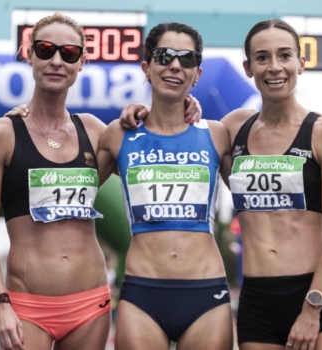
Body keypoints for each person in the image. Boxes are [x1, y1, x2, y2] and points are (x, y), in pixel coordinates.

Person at [0, 13, 113, 350]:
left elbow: (152, 147)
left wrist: (180, 105)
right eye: (46, 49)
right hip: (27, 306)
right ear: (29, 54)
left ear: (82, 62)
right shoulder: (1, 134)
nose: (56, 60)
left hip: (90, 304)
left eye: (68, 53)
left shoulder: (94, 130)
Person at [217, 19, 322, 350]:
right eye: (262, 58)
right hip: (259, 300)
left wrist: (313, 307)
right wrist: (140, 110)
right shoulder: (233, 127)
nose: (274, 67)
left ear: (301, 62)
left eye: (284, 55)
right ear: (248, 67)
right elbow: (176, 129)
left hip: (318, 294)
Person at [97, 22, 234, 349]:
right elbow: (70, 180)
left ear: (196, 73)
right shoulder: (118, 135)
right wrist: (28, 116)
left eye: (186, 59)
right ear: (146, 67)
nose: (175, 65)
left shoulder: (217, 134)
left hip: (206, 293)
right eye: (164, 56)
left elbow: (262, 202)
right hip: (142, 293)